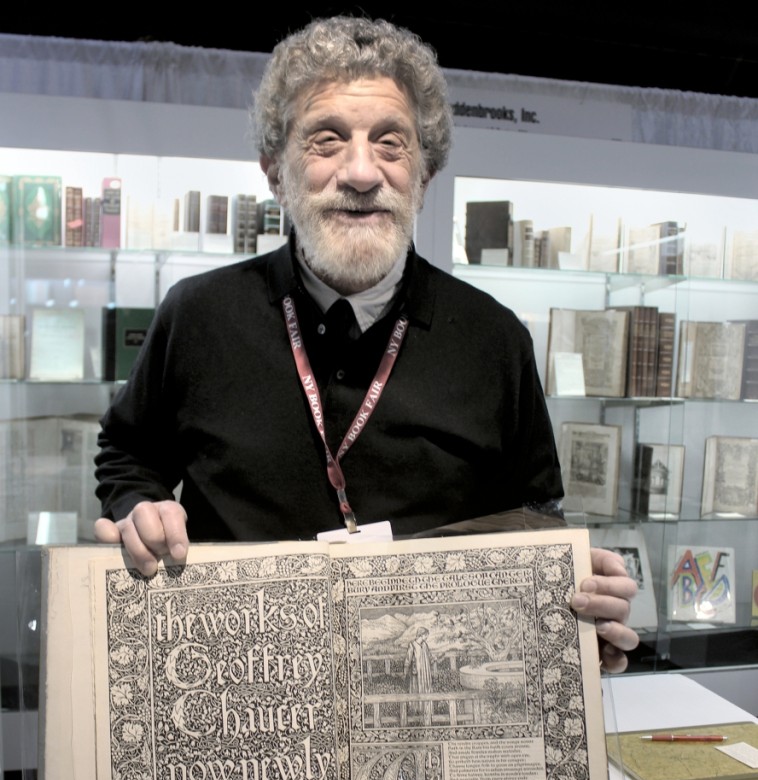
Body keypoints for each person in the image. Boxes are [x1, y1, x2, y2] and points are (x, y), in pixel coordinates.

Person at [94, 16, 637, 672]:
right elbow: (127, 452)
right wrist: (139, 506)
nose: (360, 172)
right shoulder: (198, 315)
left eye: (391, 143)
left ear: (424, 178)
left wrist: (572, 614)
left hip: (425, 695)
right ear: (275, 172)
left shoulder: (494, 339)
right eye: (327, 140)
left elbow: (535, 520)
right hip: (245, 693)